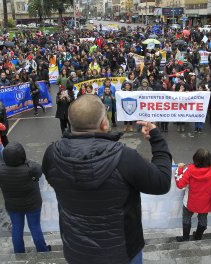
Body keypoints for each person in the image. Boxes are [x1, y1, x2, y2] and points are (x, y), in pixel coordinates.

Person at [42, 94, 172, 264]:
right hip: (122, 252)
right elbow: (162, 182)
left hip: (76, 249)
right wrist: (157, 139)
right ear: (104, 123)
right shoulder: (125, 157)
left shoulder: (52, 154)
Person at [0, 142, 51, 254]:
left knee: (17, 227)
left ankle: (19, 252)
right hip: (32, 204)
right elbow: (39, 171)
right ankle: (42, 250)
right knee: (35, 226)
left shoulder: (0, 169)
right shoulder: (30, 168)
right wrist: (26, 161)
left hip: (13, 205)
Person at [175, 149, 211, 242]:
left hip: (190, 202)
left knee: (186, 220)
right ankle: (198, 237)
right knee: (203, 222)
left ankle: (185, 238)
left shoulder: (190, 169)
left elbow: (180, 185)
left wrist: (179, 169)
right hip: (206, 202)